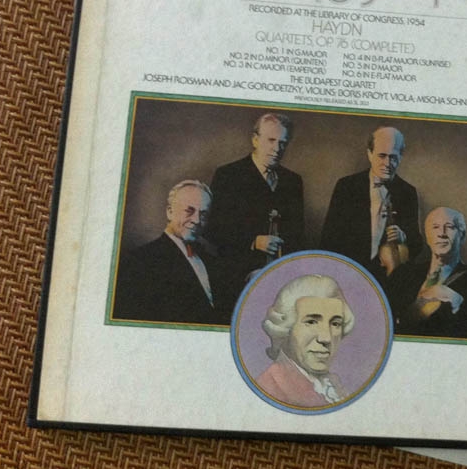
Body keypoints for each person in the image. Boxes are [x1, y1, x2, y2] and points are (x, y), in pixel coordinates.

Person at [113, 180, 235, 325]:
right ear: (170, 212)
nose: (196, 220)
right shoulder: (139, 261)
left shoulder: (211, 261)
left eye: (203, 214)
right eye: (189, 211)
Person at [207, 112, 304, 282]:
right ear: (255, 140)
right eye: (271, 140)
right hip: (236, 277)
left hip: (280, 276)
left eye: (282, 143)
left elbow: (297, 236)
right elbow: (212, 228)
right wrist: (253, 241)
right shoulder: (228, 175)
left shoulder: (293, 181)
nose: (277, 149)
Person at [380, 206, 467, 340]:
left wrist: (460, 305)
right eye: (435, 227)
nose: (441, 233)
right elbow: (379, 322)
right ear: (427, 237)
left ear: (462, 236)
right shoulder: (403, 274)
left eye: (449, 227)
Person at [320, 126, 422, 278]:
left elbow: (417, 245)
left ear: (401, 156)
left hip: (388, 277)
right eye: (382, 156)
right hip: (349, 272)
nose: (387, 163)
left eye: (393, 157)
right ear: (370, 154)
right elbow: (329, 238)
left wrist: (404, 238)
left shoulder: (407, 192)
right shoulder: (347, 186)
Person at [256, 274, 355, 408]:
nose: (326, 338)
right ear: (284, 329)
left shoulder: (331, 384)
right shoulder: (271, 387)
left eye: (335, 323)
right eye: (311, 322)